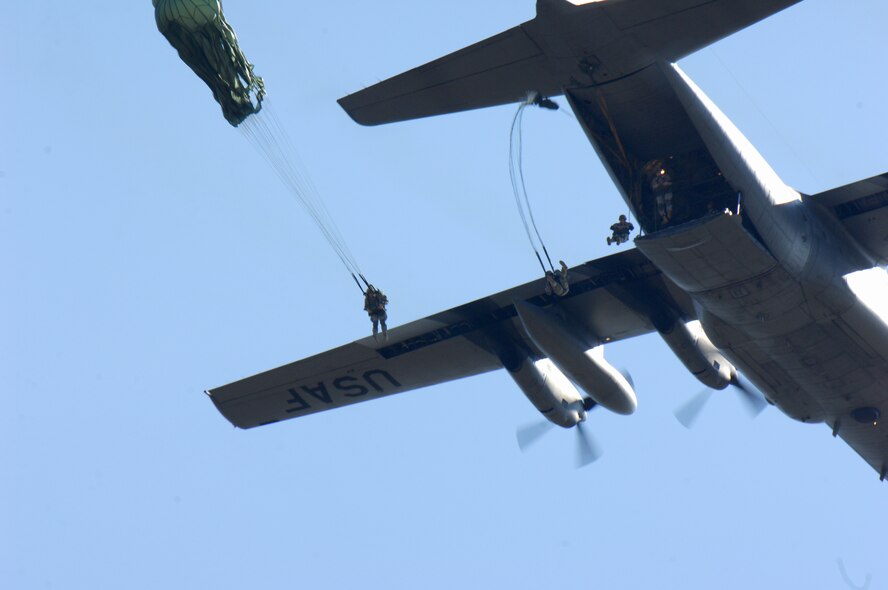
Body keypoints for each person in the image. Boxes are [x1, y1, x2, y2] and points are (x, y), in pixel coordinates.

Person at [645, 159, 674, 225]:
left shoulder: (666, 176)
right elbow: (653, 187)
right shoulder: (655, 180)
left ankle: (669, 215)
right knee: (660, 205)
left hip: (667, 191)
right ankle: (664, 217)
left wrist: (665, 183)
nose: (659, 173)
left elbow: (670, 183)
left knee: (668, 202)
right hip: (659, 193)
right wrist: (659, 185)